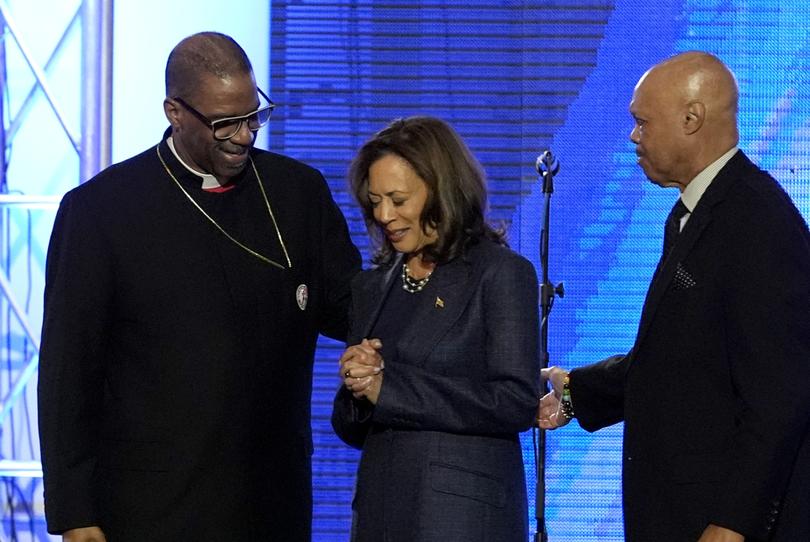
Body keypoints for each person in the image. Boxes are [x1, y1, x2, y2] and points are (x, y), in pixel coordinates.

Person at [38, 32, 360, 542]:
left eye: (253, 115)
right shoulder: (101, 211)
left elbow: (352, 309)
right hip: (151, 508)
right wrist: (75, 512)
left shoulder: (297, 192)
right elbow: (67, 372)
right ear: (175, 112)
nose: (244, 136)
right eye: (224, 123)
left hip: (271, 502)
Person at [537, 51, 810, 542]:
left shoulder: (756, 221)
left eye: (642, 122)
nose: (633, 137)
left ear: (691, 118)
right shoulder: (700, 212)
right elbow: (682, 363)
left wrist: (732, 524)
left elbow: (780, 395)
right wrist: (578, 391)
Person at [331, 116, 540, 541]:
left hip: (461, 520)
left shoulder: (499, 274)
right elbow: (354, 426)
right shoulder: (374, 286)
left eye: (398, 199)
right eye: (375, 201)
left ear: (441, 191)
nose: (384, 215)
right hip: (380, 517)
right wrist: (357, 383)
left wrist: (388, 388)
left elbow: (516, 401)